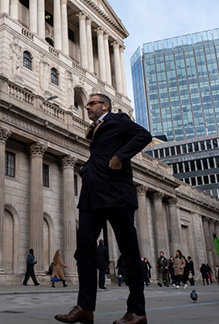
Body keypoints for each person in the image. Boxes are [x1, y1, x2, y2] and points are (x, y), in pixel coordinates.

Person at [55, 94, 152, 324]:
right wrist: (87, 170)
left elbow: (143, 136)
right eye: (86, 104)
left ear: (105, 106)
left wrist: (120, 156)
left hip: (116, 195)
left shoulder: (118, 120)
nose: (87, 107)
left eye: (92, 104)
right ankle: (84, 307)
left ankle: (137, 311)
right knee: (84, 251)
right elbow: (98, 155)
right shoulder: (94, 129)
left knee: (129, 253)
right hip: (91, 197)